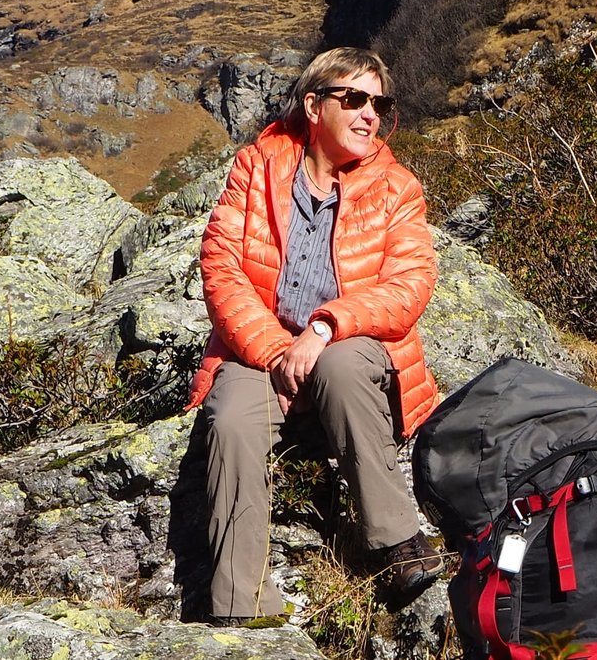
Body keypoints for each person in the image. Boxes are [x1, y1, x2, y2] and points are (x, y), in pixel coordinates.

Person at [186, 47, 443, 625]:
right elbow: (221, 266)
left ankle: (397, 543)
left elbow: (410, 285)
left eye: (379, 103)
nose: (369, 114)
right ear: (313, 104)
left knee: (344, 366)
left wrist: (325, 326)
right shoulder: (255, 167)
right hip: (260, 350)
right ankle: (241, 605)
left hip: (345, 346)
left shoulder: (397, 187)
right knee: (228, 419)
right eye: (354, 99)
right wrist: (279, 353)